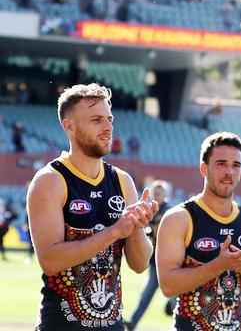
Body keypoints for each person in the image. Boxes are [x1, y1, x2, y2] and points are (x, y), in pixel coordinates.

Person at [26, 83, 158, 330]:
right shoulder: (50, 181)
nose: (108, 127)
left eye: (109, 119)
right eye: (96, 120)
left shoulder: (122, 180)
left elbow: (140, 265)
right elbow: (51, 261)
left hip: (113, 324)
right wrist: (115, 231)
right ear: (69, 126)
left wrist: (138, 227)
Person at [156, 132, 241, 330]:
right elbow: (168, 285)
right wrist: (219, 264)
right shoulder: (179, 219)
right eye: (221, 164)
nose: (229, 172)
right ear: (203, 168)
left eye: (236, 165)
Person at [125, 180, 171, 330]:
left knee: (156, 291)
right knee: (148, 292)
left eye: (160, 193)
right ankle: (133, 321)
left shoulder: (169, 212)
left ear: (165, 194)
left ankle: (134, 320)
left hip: (167, 259)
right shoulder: (149, 209)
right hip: (152, 258)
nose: (157, 195)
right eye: (155, 193)